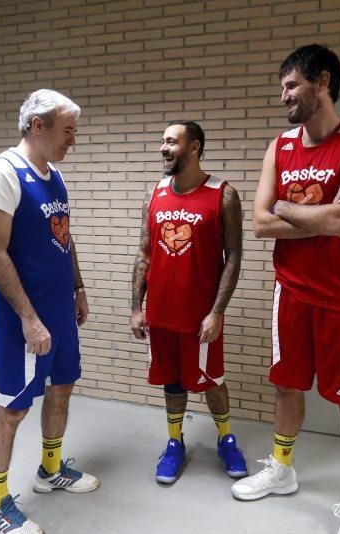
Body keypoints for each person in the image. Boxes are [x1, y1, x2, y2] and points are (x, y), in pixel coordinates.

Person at [230, 44, 340, 534]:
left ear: (323, 82)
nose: (285, 97)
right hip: (290, 290)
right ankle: (282, 468)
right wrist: (318, 218)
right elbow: (257, 223)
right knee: (286, 385)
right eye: (282, 88)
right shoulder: (281, 146)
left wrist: (287, 209)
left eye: (292, 86)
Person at [0, 89, 99, 534]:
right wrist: (29, 318)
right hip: (23, 321)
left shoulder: (54, 175)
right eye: (68, 131)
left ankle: (50, 470)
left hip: (61, 312)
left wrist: (78, 288)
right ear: (38, 125)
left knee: (62, 386)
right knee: (11, 409)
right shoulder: (1, 173)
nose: (73, 140)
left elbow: (63, 236)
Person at [129, 120, 248, 484]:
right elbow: (144, 253)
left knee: (211, 379)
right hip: (162, 314)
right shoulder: (156, 192)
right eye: (162, 141)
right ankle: (174, 442)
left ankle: (226, 440)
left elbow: (233, 257)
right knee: (172, 381)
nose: (163, 148)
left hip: (200, 317)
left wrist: (217, 312)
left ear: (193, 147)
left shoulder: (223, 194)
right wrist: (136, 307)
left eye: (171, 142)